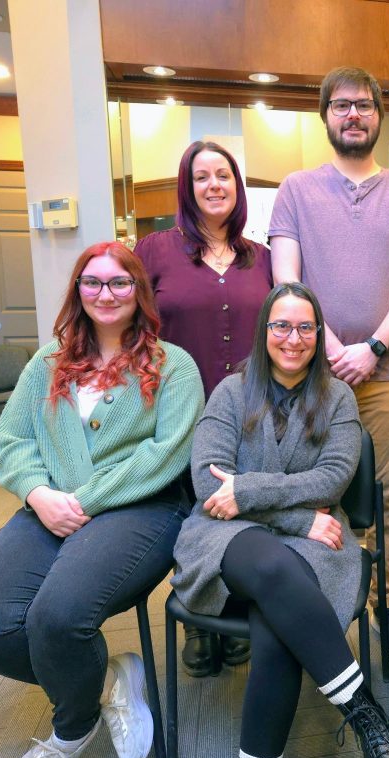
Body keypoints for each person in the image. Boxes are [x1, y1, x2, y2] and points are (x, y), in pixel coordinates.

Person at [0, 242, 204, 758]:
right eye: (93, 282)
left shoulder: (173, 365)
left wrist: (81, 499)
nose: (105, 293)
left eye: (119, 282)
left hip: (142, 510)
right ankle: (106, 680)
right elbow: (12, 440)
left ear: (138, 290)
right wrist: (37, 494)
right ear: (78, 290)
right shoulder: (48, 362)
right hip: (48, 506)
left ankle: (71, 732)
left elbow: (167, 454)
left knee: (58, 617)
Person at [172, 282, 389, 758]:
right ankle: (366, 714)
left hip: (316, 544)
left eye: (305, 327)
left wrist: (245, 491)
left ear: (319, 334)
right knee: (272, 566)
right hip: (224, 537)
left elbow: (332, 479)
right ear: (264, 330)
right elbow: (207, 484)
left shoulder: (338, 397)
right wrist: (298, 518)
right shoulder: (230, 392)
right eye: (281, 326)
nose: (293, 338)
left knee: (276, 625)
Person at [269, 65, 389, 660]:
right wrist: (333, 348)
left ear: (379, 115)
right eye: (341, 105)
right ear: (326, 116)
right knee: (312, 493)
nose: (353, 114)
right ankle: (320, 608)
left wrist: (374, 349)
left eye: (364, 104)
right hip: (312, 373)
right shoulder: (296, 189)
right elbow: (286, 279)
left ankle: (386, 607)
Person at [136, 140, 272, 675]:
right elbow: (128, 322)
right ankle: (198, 616)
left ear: (237, 186)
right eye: (201, 177)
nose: (214, 185)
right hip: (179, 411)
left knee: (244, 509)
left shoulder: (261, 257)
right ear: (186, 188)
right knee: (192, 514)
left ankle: (235, 603)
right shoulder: (155, 251)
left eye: (224, 175)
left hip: (253, 410)